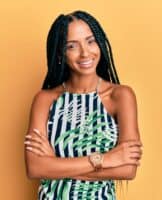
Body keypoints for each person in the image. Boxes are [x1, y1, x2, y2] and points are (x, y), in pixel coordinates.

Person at [24, 10, 143, 200]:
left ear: (100, 44)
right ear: (61, 54)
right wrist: (105, 159)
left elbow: (128, 169)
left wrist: (55, 164)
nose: (85, 53)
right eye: (72, 46)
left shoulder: (120, 96)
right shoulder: (45, 100)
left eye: (90, 41)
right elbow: (35, 168)